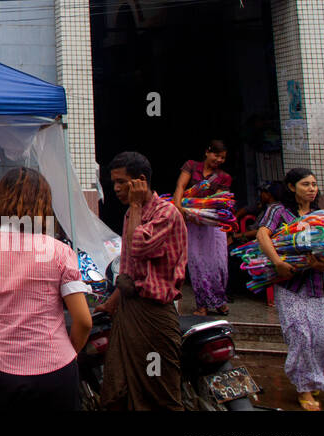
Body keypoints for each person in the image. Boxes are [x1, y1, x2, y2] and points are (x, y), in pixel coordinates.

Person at [0, 168, 92, 410]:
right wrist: (64, 353)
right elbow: (83, 321)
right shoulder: (61, 252)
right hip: (57, 371)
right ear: (44, 204)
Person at [98, 150, 187, 411]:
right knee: (119, 388)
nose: (115, 189)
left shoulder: (165, 213)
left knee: (158, 391)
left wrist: (136, 205)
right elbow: (129, 265)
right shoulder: (130, 215)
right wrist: (112, 302)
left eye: (121, 182)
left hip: (154, 315)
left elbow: (139, 248)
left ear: (140, 182)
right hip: (129, 309)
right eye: (113, 182)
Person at [255, 167, 324, 411]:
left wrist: (323, 264)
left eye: (314, 184)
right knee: (300, 336)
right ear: (291, 187)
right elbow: (262, 234)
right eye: (305, 184)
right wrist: (278, 262)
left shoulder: (322, 216)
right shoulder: (278, 211)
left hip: (319, 285)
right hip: (290, 284)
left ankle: (312, 377)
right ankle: (304, 388)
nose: (311, 188)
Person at [172, 140, 232, 315]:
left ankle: (219, 300)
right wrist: (178, 208)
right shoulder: (191, 166)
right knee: (198, 263)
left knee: (218, 263)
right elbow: (180, 187)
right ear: (207, 152)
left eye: (222, 158)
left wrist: (201, 214)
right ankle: (202, 305)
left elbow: (220, 201)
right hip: (190, 221)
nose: (219, 160)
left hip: (211, 222)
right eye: (216, 155)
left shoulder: (224, 177)